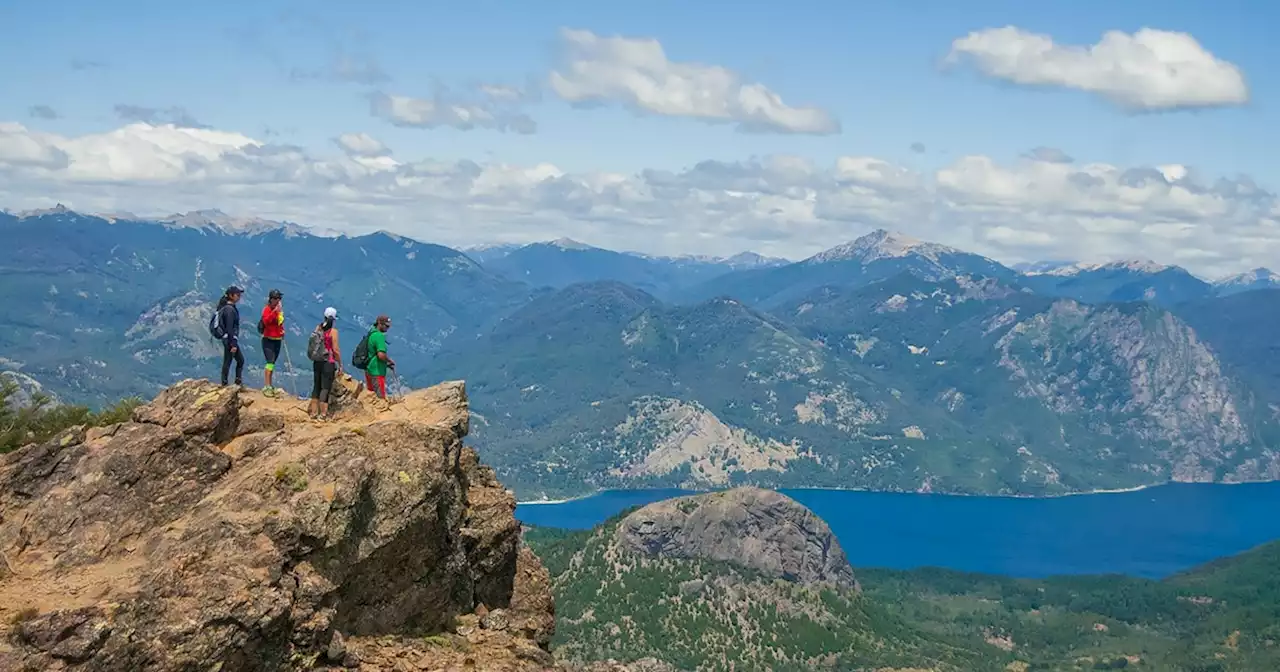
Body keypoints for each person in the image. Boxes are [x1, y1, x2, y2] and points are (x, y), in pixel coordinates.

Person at [308, 307, 342, 419]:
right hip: (328, 362)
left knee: (316, 387)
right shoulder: (333, 332)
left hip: (317, 361)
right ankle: (323, 414)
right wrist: (340, 364)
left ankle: (313, 413)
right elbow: (335, 350)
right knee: (325, 388)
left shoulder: (318, 328)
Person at [217, 286, 244, 387]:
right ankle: (227, 383)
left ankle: (235, 382)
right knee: (231, 361)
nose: (239, 297)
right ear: (231, 296)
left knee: (236, 360)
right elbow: (229, 327)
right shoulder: (229, 310)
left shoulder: (229, 308)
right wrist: (233, 343)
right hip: (229, 339)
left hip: (228, 338)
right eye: (237, 295)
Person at [260, 289, 285, 397]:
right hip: (268, 339)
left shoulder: (279, 310)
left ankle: (270, 385)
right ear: (272, 299)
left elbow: (279, 322)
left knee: (273, 363)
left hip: (277, 339)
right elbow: (266, 321)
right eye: (277, 298)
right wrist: (274, 311)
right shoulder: (267, 309)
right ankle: (267, 385)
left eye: (279, 298)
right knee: (269, 362)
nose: (279, 300)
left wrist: (282, 330)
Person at [363, 314, 395, 400]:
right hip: (377, 372)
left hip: (369, 369)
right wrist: (389, 361)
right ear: (380, 323)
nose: (387, 329)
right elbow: (381, 355)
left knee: (371, 397)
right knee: (380, 399)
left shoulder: (371, 332)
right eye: (386, 326)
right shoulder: (379, 336)